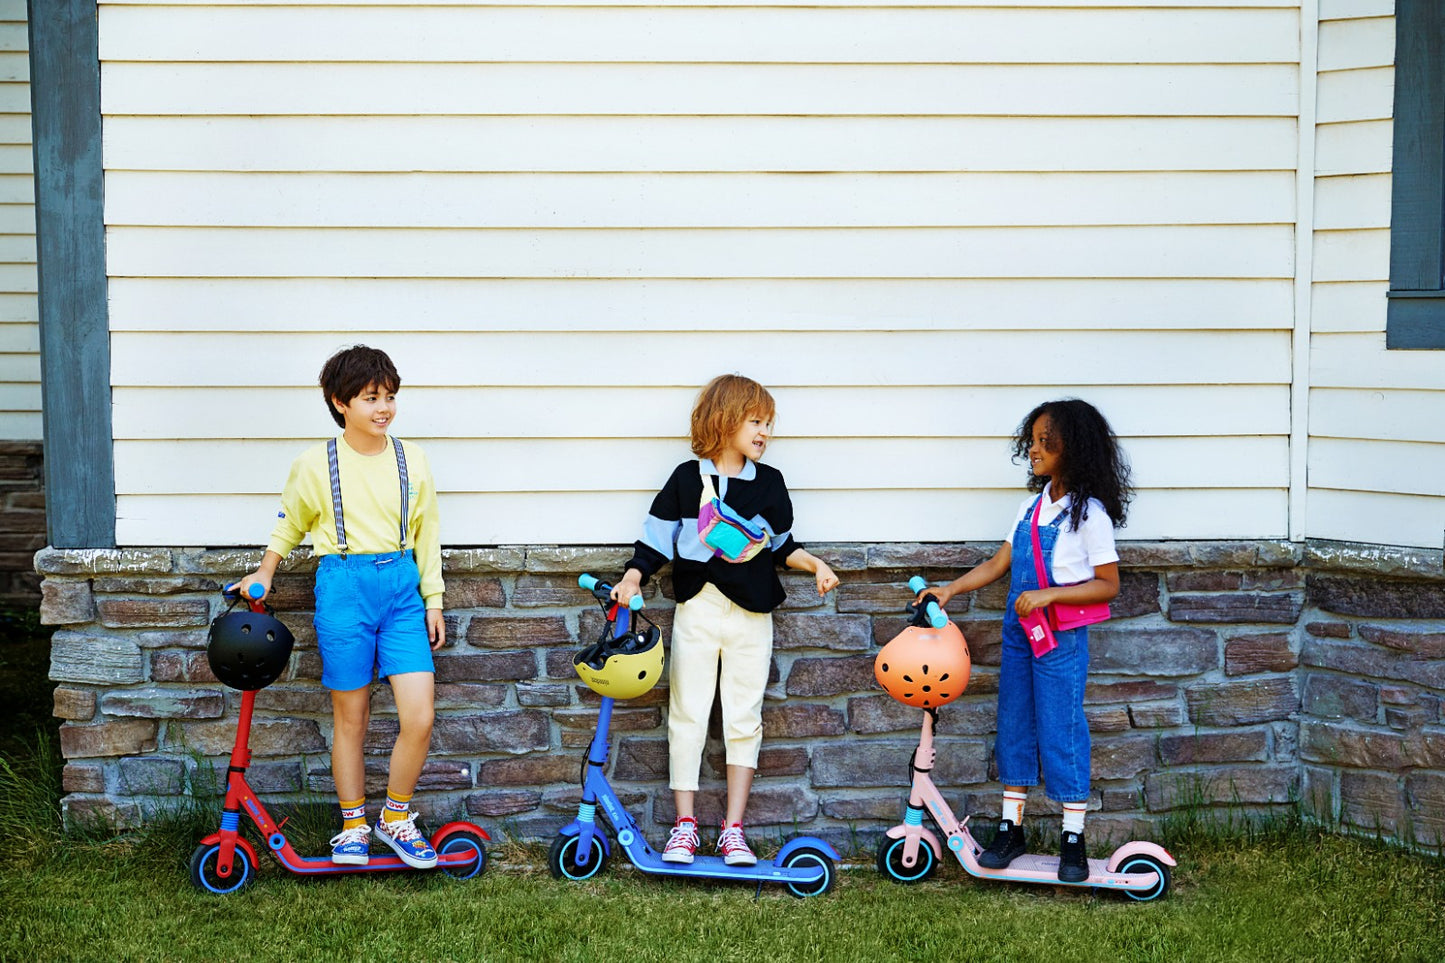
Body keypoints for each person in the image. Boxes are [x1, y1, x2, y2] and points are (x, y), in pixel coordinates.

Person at [611, 374, 839, 866]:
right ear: (726, 419)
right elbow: (654, 542)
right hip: (697, 608)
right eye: (755, 421)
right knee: (688, 714)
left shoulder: (771, 484)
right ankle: (685, 827)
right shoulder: (685, 479)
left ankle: (734, 829)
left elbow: (783, 546)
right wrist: (632, 578)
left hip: (752, 615)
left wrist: (816, 565)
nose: (764, 432)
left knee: (743, 717)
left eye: (768, 424)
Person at [238, 345, 446, 869]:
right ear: (340, 402)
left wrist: (433, 599)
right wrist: (266, 570)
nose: (384, 408)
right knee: (350, 716)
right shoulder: (315, 463)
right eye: (371, 397)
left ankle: (395, 818)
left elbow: (428, 534)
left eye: (390, 397)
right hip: (342, 586)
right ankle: (353, 825)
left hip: (401, 589)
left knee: (418, 715)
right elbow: (289, 523)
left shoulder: (412, 459)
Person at [919, 398, 1132, 882]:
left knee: (1062, 727)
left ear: (1072, 449)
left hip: (1059, 636)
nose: (1033, 450)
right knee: (1013, 722)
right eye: (1031, 441)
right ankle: (1011, 828)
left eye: (1045, 442)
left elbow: (1108, 583)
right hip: (1020, 633)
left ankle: (1072, 837)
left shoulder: (1089, 515)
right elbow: (999, 565)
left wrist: (1048, 596)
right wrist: (950, 589)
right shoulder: (1029, 508)